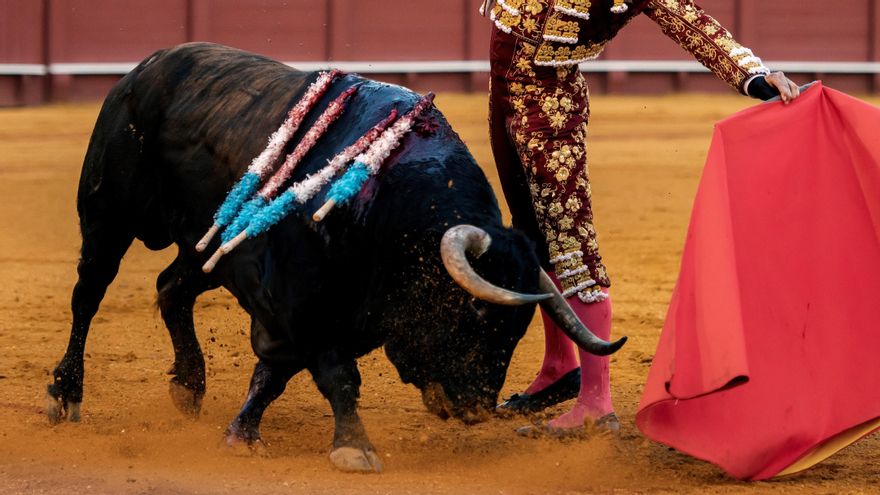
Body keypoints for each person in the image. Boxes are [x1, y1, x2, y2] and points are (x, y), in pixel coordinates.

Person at [482, 0, 800, 436]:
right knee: (533, 235)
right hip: (504, 83)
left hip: (550, 106)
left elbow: (689, 21)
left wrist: (752, 75)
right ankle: (559, 366)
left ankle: (596, 400)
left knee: (572, 244)